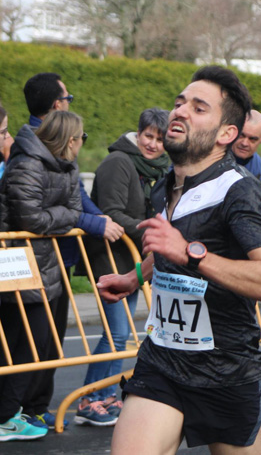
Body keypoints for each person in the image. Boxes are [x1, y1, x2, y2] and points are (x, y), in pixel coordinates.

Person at [96, 66, 261, 454]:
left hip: (226, 370)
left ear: (225, 134)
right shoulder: (166, 185)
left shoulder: (241, 191)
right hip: (163, 360)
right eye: (179, 102)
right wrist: (134, 277)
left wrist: (190, 253)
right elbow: (167, 250)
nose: (180, 111)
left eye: (199, 108)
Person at [20, 73, 124, 430]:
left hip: (57, 259)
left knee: (49, 344)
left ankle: (34, 409)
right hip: (35, 262)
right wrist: (95, 223)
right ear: (57, 105)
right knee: (30, 344)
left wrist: (103, 221)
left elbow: (76, 198)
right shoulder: (33, 151)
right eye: (68, 98)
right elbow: (36, 213)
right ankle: (16, 413)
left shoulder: (54, 148)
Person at [75, 108, 171, 427]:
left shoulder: (159, 167)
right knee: (116, 334)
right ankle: (89, 398)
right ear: (138, 133)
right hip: (109, 257)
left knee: (120, 334)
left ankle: (104, 396)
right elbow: (111, 212)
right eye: (148, 136)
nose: (153, 144)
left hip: (131, 260)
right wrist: (152, 232)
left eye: (159, 139)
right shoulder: (118, 162)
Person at [0, 111, 85, 442]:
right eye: (81, 138)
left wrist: (57, 217)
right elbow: (30, 219)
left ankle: (11, 412)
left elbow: (75, 211)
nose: (82, 143)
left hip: (42, 264)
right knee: (22, 343)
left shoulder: (67, 166)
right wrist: (61, 217)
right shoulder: (27, 164)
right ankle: (6, 417)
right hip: (16, 264)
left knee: (33, 342)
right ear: (70, 140)